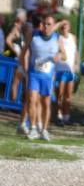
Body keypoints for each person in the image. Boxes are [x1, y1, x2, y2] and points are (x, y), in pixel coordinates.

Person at [21, 13, 66, 141]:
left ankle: (45, 130)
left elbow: (64, 54)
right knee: (31, 98)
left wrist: (60, 55)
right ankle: (33, 128)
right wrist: (21, 68)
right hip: (34, 73)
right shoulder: (33, 35)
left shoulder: (57, 38)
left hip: (48, 76)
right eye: (44, 24)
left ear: (53, 26)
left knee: (45, 102)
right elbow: (24, 52)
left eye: (49, 24)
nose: (46, 26)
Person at [54, 19, 79, 126]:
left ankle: (66, 116)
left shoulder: (73, 37)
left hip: (70, 69)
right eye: (62, 25)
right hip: (60, 69)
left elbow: (76, 52)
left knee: (68, 95)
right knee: (60, 94)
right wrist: (59, 23)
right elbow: (51, 30)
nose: (64, 27)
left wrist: (77, 63)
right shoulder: (57, 37)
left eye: (66, 25)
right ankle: (58, 116)